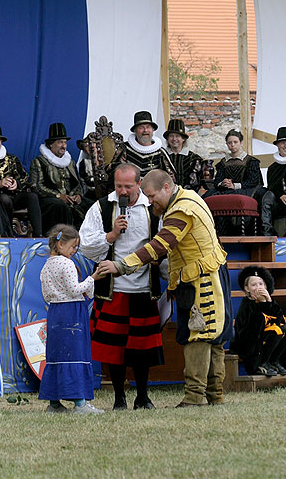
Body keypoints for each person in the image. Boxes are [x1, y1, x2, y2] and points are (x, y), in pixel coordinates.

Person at [97, 169, 233, 407]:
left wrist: (122, 265)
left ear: (167, 188)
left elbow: (159, 246)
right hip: (205, 274)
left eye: (152, 196)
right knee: (213, 338)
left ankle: (194, 398)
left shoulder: (182, 209)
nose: (149, 201)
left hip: (201, 279)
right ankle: (214, 396)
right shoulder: (188, 197)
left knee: (198, 335)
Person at [79, 163, 164, 410]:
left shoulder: (153, 208)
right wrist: (111, 235)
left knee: (142, 348)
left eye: (128, 186)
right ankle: (119, 397)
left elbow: (163, 244)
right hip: (112, 290)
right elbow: (86, 245)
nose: (123, 191)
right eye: (118, 186)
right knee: (113, 349)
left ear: (139, 184)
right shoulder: (102, 207)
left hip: (143, 288)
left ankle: (143, 396)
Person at [38, 224, 105, 414]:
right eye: (73, 247)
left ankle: (54, 403)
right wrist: (93, 278)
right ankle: (80, 403)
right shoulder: (66, 264)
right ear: (60, 244)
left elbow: (45, 295)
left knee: (57, 354)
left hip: (55, 314)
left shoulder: (46, 265)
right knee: (75, 353)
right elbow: (75, 289)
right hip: (72, 313)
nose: (75, 251)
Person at [0, 123, 42, 236]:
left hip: (14, 196)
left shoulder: (11, 158)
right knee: (5, 199)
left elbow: (25, 177)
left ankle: (38, 235)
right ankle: (7, 234)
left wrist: (17, 184)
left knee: (32, 197)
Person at [230, 266, 286, 377]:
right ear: (247, 289)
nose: (258, 287)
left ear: (266, 286)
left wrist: (268, 301)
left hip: (265, 338)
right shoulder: (246, 304)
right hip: (249, 343)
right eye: (254, 285)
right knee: (275, 330)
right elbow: (253, 326)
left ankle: (273, 361)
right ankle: (261, 364)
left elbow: (279, 320)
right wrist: (261, 304)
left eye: (261, 284)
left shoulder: (269, 301)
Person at [30, 123, 90, 235]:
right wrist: (58, 196)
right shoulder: (39, 162)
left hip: (69, 198)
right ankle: (63, 238)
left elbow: (80, 182)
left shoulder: (70, 162)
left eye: (65, 142)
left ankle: (86, 240)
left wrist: (78, 195)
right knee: (60, 206)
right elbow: (36, 186)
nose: (63, 146)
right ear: (50, 145)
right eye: (60, 142)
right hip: (49, 200)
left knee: (91, 205)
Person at [106, 111, 176, 189]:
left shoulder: (161, 153)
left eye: (148, 127)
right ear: (135, 131)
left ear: (152, 130)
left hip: (155, 194)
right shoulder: (125, 149)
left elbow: (170, 178)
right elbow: (114, 172)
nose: (145, 130)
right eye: (141, 127)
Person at [203, 129, 265, 199]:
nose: (232, 145)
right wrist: (223, 183)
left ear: (241, 143)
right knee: (207, 196)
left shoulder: (251, 161)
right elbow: (217, 181)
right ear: (226, 144)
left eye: (235, 142)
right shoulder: (223, 163)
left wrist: (234, 186)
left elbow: (253, 181)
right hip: (226, 190)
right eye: (229, 143)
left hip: (246, 190)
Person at [163, 118, 203, 191]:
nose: (174, 139)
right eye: (171, 136)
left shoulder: (193, 159)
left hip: (188, 196)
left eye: (177, 136)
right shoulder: (161, 157)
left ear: (183, 139)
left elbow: (195, 183)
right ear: (168, 139)